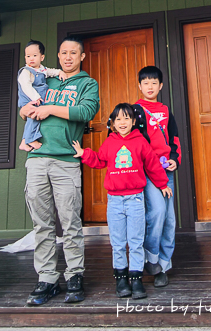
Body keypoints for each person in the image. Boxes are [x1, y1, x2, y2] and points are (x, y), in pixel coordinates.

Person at [20, 35, 100, 306]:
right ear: (57, 56)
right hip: (37, 158)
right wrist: (24, 110)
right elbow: (25, 102)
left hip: (66, 160)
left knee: (70, 221)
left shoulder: (87, 83)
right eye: (63, 52)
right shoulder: (44, 79)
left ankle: (75, 275)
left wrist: (51, 108)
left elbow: (86, 110)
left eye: (73, 53)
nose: (67, 57)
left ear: (82, 57)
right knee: (41, 223)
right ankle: (47, 278)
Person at [72, 102, 171, 299]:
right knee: (117, 242)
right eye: (118, 119)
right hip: (115, 200)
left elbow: (152, 165)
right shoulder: (110, 142)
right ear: (113, 124)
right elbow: (100, 160)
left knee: (135, 241)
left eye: (127, 118)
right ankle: (121, 279)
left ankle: (136, 279)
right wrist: (85, 154)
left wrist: (162, 184)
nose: (123, 122)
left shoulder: (140, 142)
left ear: (133, 121)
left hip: (135, 198)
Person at [133, 65, 181, 287]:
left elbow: (174, 138)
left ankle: (163, 264)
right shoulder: (134, 110)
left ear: (160, 86)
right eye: (146, 83)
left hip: (165, 170)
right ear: (140, 86)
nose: (150, 86)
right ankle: (151, 257)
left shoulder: (165, 110)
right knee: (157, 212)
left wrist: (175, 159)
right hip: (148, 171)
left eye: (154, 83)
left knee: (170, 219)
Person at [16, 39, 63, 152]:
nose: (31, 58)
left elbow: (50, 71)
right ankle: (31, 139)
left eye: (34, 55)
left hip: (37, 99)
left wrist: (59, 72)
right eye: (28, 56)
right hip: (30, 99)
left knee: (32, 119)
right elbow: (26, 86)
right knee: (34, 118)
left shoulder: (42, 69)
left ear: (42, 57)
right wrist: (35, 97)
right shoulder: (26, 71)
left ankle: (24, 141)